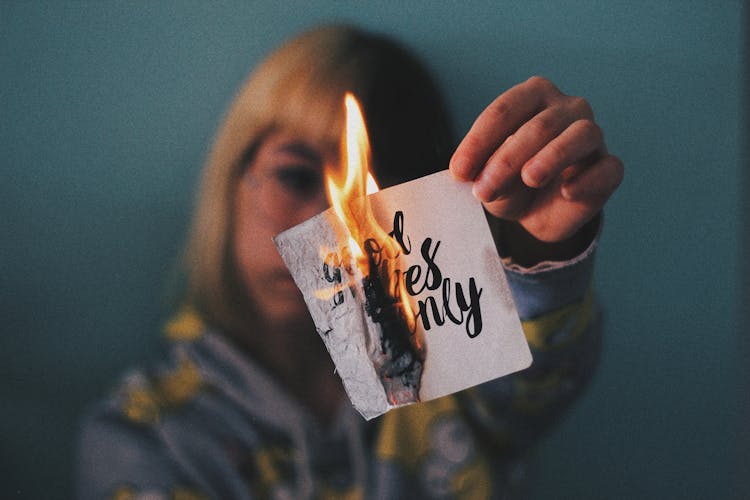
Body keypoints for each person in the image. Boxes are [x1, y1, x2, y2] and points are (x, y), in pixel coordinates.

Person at [77, 24, 623, 499]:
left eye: (371, 203)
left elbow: (531, 385)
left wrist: (538, 248)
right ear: (231, 181)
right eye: (295, 175)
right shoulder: (147, 434)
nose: (330, 234)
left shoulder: (449, 370)